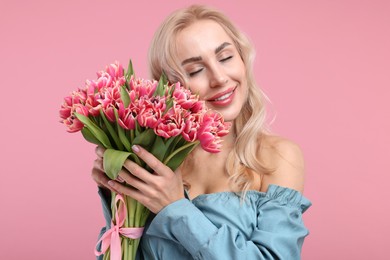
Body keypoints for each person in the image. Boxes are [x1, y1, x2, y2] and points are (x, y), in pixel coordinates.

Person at [92, 4, 311, 259]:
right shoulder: (153, 164)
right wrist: (117, 200)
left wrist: (175, 208)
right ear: (171, 86)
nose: (219, 78)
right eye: (195, 70)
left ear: (242, 59)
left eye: (226, 57)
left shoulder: (277, 157)